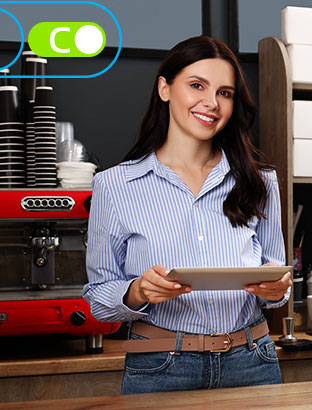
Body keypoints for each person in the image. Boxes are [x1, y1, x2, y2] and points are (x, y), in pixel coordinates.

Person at [83, 36, 292, 394]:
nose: (211, 103)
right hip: (160, 364)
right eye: (197, 85)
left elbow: (276, 286)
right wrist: (138, 291)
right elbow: (98, 298)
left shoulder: (261, 182)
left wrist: (276, 288)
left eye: (225, 93)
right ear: (164, 88)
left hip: (253, 360)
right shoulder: (114, 185)